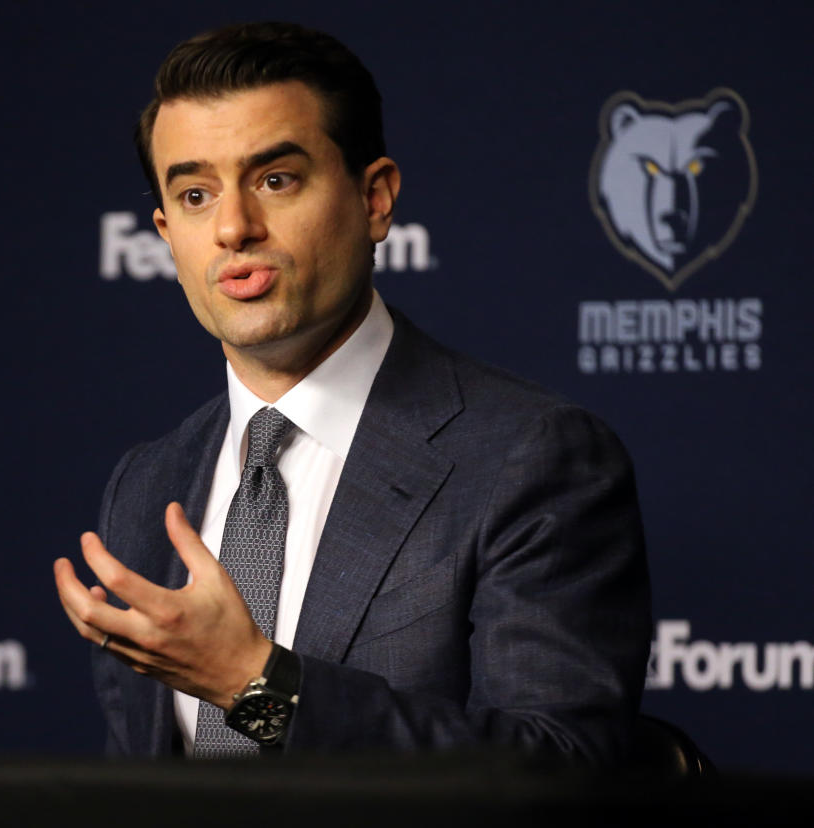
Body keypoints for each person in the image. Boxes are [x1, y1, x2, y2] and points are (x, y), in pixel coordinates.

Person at [53, 21, 650, 763]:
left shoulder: (528, 459)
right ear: (167, 233)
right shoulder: (147, 485)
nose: (235, 227)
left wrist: (253, 683)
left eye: (276, 179)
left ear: (375, 200)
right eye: (197, 194)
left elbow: (565, 766)